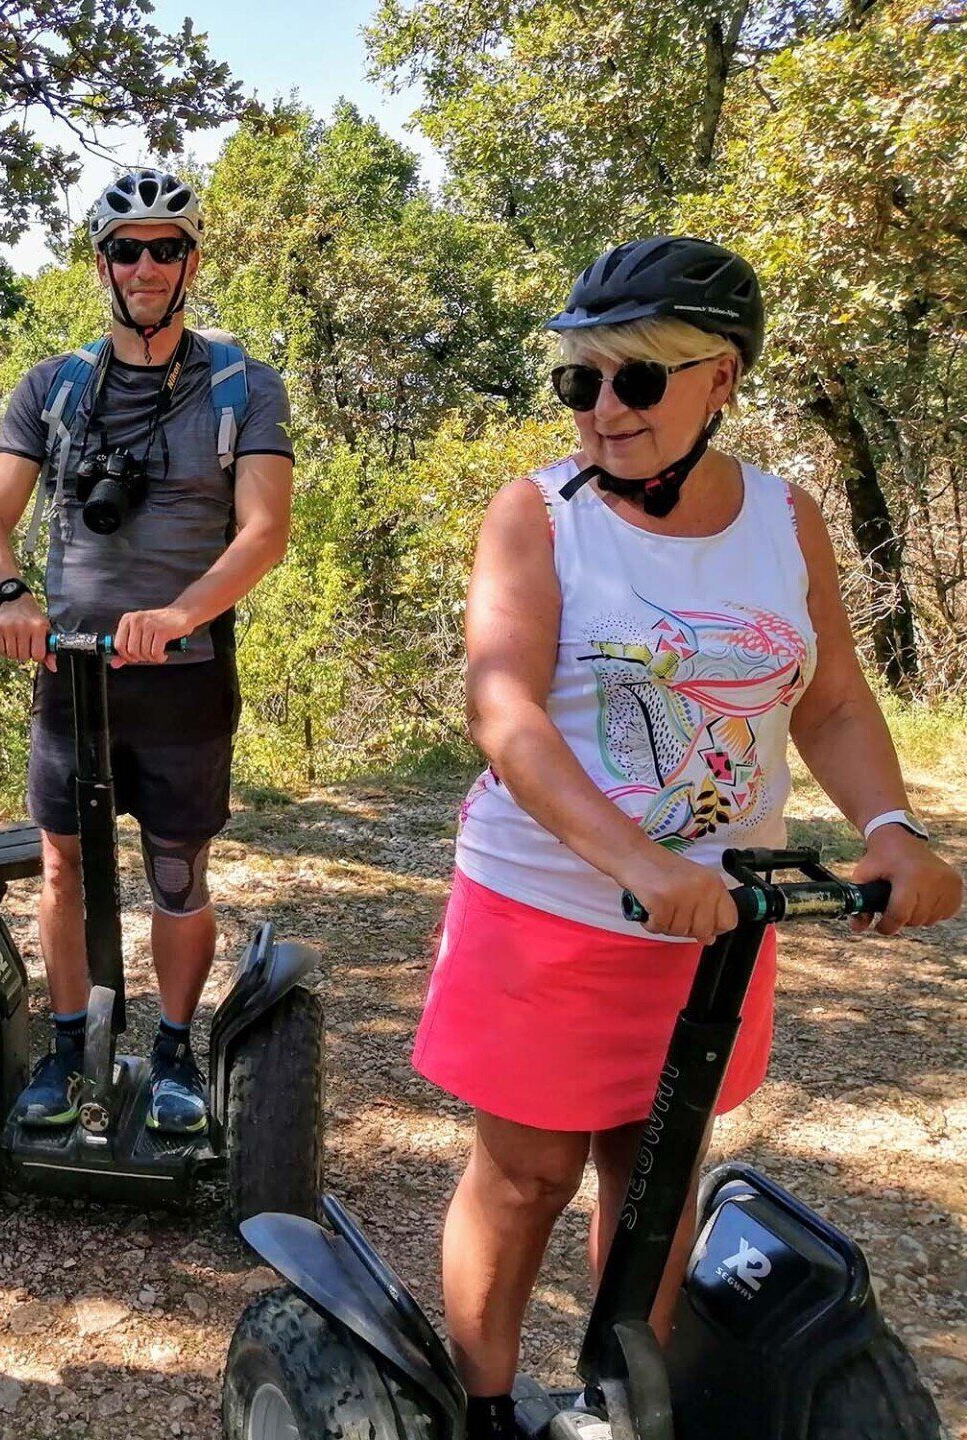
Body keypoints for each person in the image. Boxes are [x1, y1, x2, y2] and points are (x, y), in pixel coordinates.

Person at [412, 236, 962, 1440]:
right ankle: (488, 1412)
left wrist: (891, 830)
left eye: (639, 380)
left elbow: (829, 698)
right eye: (581, 381)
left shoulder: (784, 517)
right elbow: (504, 710)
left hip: (710, 925)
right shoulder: (538, 517)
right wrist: (640, 863)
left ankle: (626, 1406)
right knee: (527, 1175)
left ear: (723, 378)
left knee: (655, 1174)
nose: (604, 410)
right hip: (550, 909)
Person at [0, 169, 295, 1135]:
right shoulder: (54, 387)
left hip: (184, 678)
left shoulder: (241, 386)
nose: (145, 266)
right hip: (72, 674)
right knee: (63, 864)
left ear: (191, 262)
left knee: (178, 870)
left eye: (165, 248)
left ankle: (175, 1051)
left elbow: (263, 531)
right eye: (126, 249)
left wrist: (180, 612)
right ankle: (67, 1049)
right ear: (102, 264)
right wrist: (13, 593)